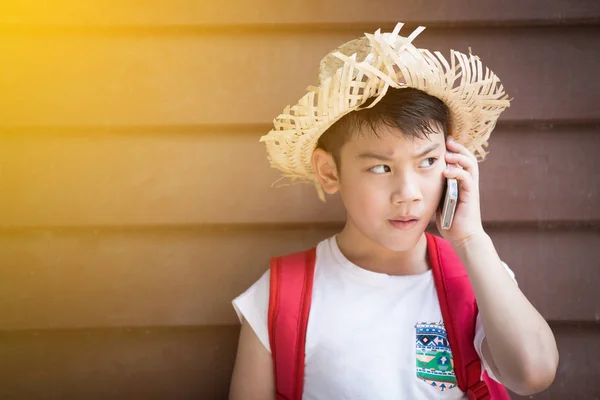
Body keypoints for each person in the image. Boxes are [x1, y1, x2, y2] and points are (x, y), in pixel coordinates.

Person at [229, 23, 558, 399]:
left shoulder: (479, 278)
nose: (408, 193)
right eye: (380, 168)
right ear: (329, 171)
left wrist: (470, 239)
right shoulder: (278, 296)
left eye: (427, 161)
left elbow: (533, 374)